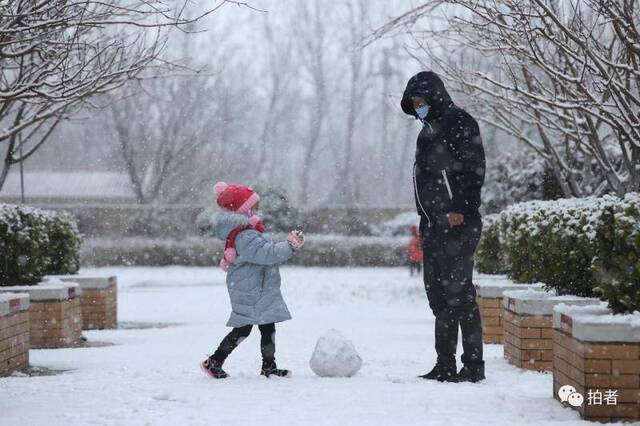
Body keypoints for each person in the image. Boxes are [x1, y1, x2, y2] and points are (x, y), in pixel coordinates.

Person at [401, 71, 486, 383]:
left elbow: (473, 168)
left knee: (459, 295)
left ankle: (473, 366)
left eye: (421, 101)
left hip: (458, 223)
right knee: (437, 295)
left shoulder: (458, 122)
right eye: (414, 103)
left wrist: (460, 208)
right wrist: (429, 219)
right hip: (433, 225)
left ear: (434, 97)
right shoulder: (426, 131)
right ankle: (445, 363)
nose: (418, 107)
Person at [201, 182, 305, 379]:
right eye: (253, 206)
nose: (258, 209)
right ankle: (214, 361)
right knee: (244, 328)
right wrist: (290, 245)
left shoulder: (248, 231)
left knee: (266, 326)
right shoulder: (245, 235)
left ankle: (269, 366)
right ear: (243, 210)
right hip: (251, 288)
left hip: (255, 287)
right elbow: (266, 254)